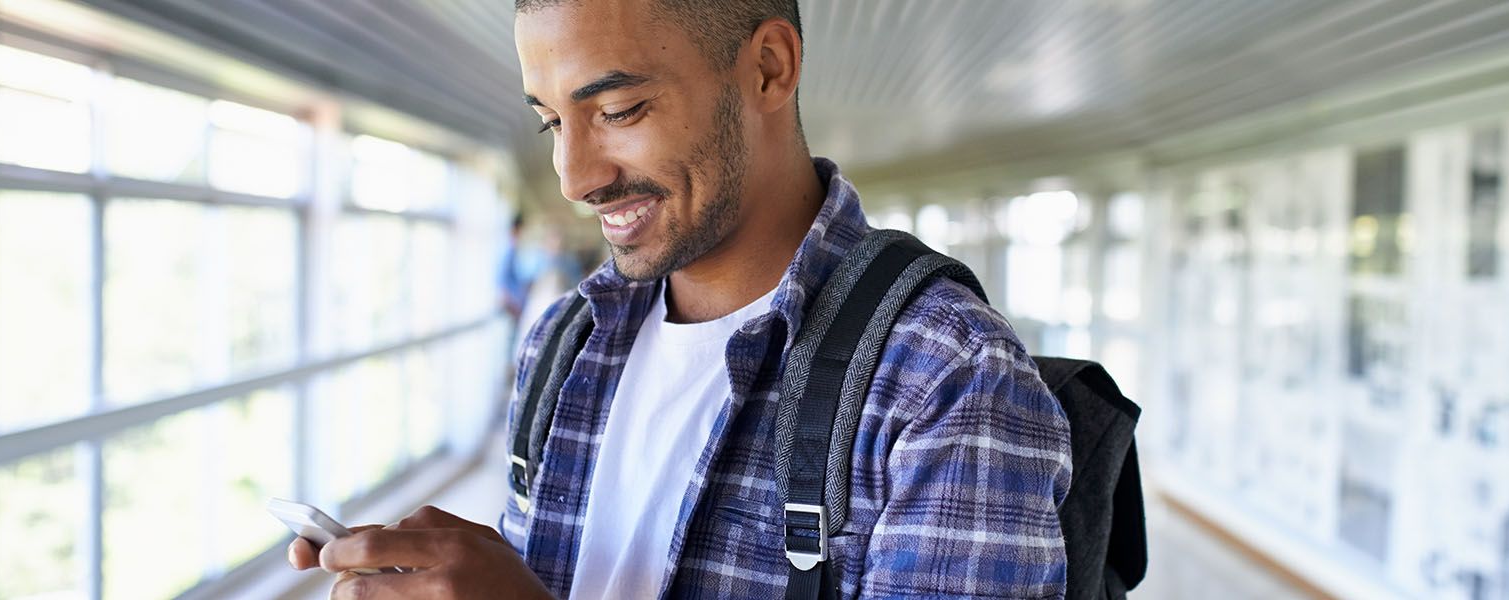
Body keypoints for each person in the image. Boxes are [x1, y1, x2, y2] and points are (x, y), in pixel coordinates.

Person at [288, 0, 1072, 597]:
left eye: (620, 111)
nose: (574, 178)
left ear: (768, 67)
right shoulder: (567, 339)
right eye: (552, 123)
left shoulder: (946, 377)